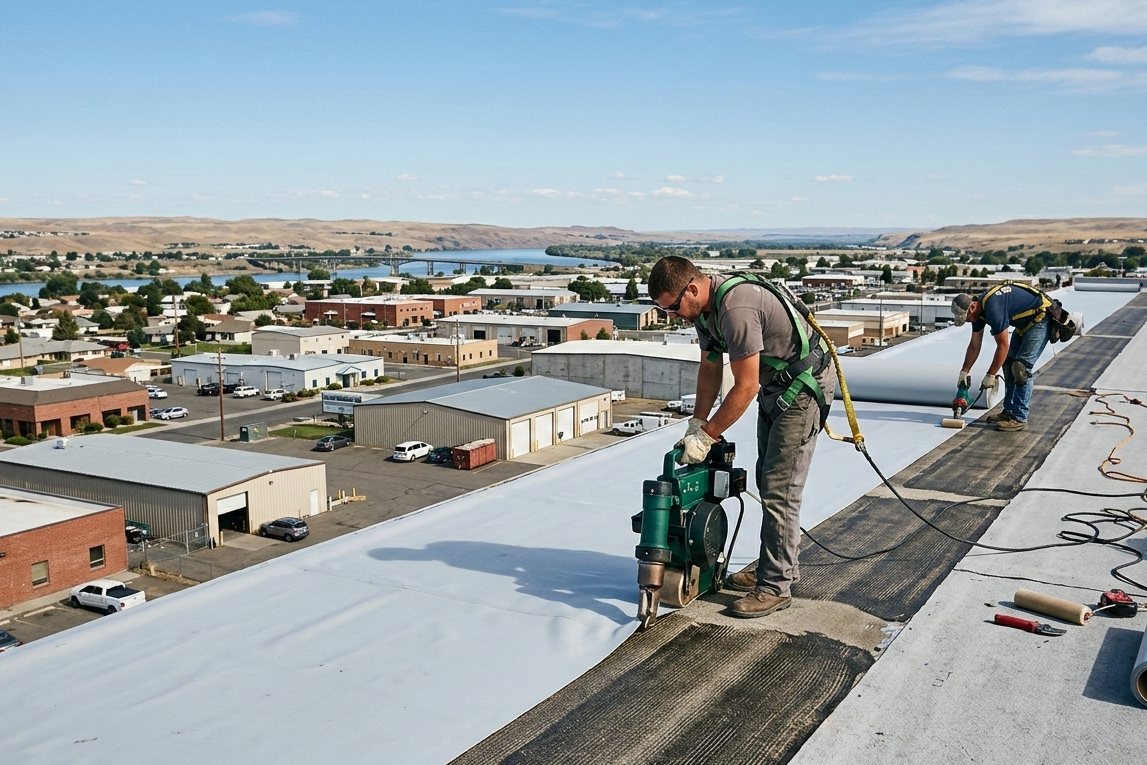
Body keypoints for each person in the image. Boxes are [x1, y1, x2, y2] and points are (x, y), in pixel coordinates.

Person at [648, 256, 835, 618]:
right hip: (777, 387)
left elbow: (745, 386)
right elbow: (710, 366)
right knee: (768, 480)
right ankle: (778, 565)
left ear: (692, 289)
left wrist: (708, 436)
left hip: (801, 389)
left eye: (673, 308)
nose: (673, 316)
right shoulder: (704, 312)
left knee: (780, 488)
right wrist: (698, 422)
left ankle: (775, 586)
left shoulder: (736, 308)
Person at [951, 282, 1053, 432]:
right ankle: (1009, 412)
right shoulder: (978, 313)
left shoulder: (993, 308)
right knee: (1008, 363)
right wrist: (964, 372)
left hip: (1040, 319)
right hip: (1024, 324)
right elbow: (974, 345)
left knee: (1021, 368)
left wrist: (990, 375)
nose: (967, 321)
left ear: (971, 308)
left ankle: (1019, 417)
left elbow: (1003, 346)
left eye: (966, 318)